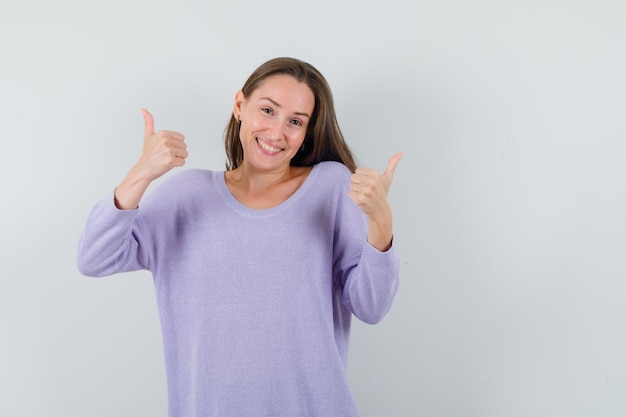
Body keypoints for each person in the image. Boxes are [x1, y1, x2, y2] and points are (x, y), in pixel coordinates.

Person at [77, 57, 402, 417]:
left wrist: (380, 222)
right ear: (239, 106)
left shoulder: (330, 186)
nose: (277, 132)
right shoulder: (187, 195)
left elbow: (371, 307)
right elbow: (94, 258)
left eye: (295, 122)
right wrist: (140, 174)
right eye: (268, 110)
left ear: (307, 133)